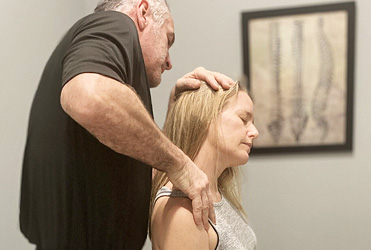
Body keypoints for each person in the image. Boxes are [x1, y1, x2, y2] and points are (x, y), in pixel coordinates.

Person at [19, 0, 234, 249]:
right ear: (143, 12)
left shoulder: (83, 44)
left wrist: (173, 109)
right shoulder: (115, 24)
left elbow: (124, 164)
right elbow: (88, 96)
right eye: (168, 40)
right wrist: (181, 166)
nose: (169, 62)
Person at [150, 82, 259, 250]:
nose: (254, 132)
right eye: (244, 119)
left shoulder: (213, 194)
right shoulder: (183, 211)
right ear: (206, 116)